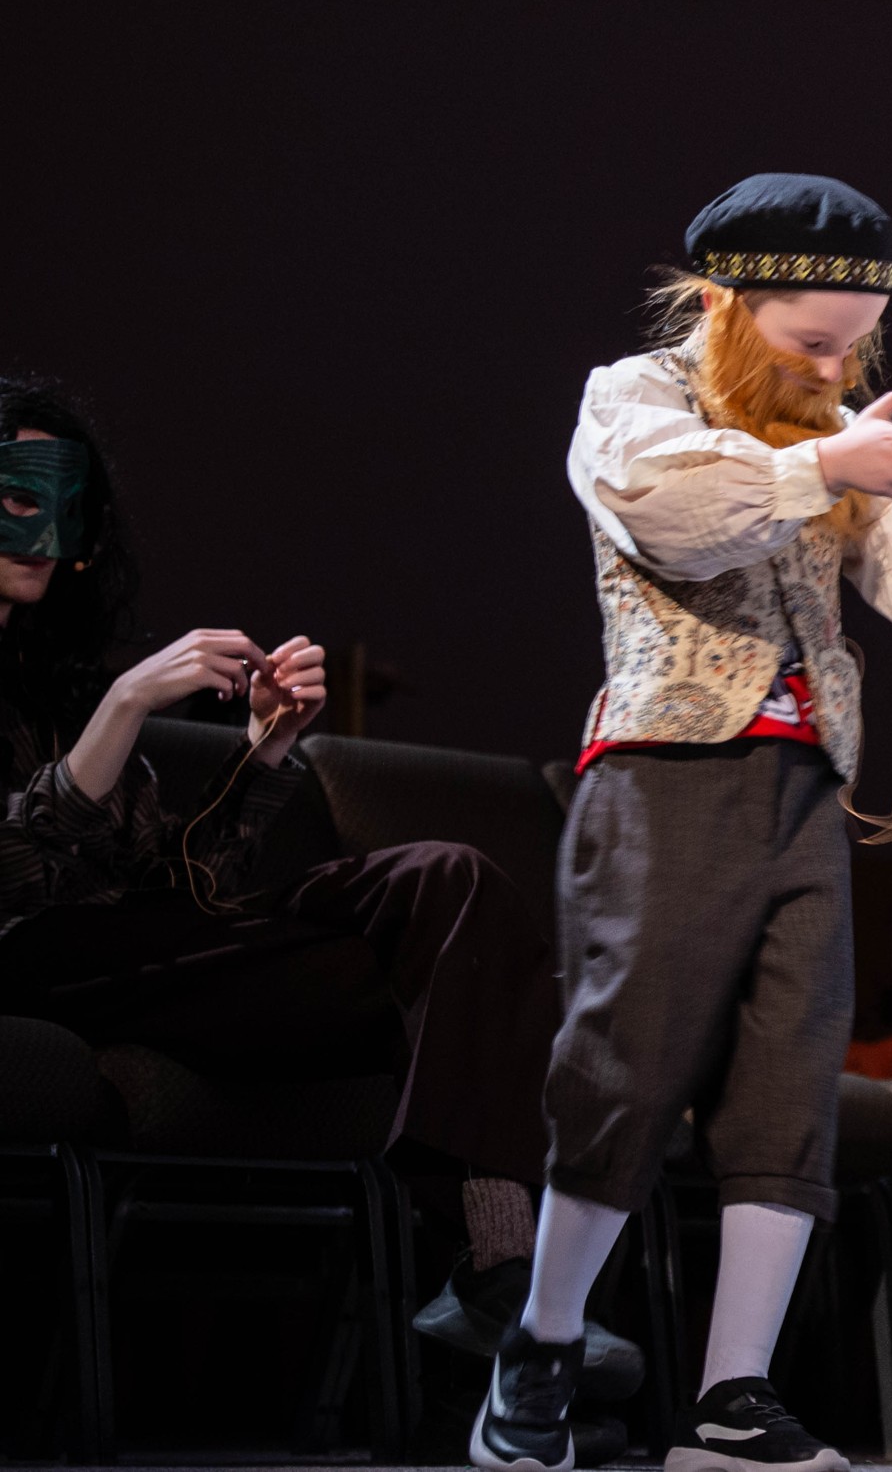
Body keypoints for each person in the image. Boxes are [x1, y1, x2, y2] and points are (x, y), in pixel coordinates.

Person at [473, 175, 892, 1472]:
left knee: (786, 1082)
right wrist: (825, 462)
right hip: (671, 770)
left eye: (853, 345)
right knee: (632, 1060)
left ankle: (731, 1396)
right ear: (725, 305)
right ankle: (543, 1342)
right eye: (812, 341)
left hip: (808, 786)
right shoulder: (637, 398)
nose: (837, 368)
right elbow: (669, 515)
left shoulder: (831, 427)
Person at [0, 378, 644, 1420]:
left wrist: (264, 751)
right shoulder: (102, 701)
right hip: (38, 960)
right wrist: (127, 703)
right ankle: (512, 1310)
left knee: (449, 883)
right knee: (458, 987)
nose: (48, 532)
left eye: (66, 505)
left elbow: (187, 884)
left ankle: (497, 1270)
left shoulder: (56, 680)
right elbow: (18, 876)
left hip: (153, 956)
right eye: (19, 495)